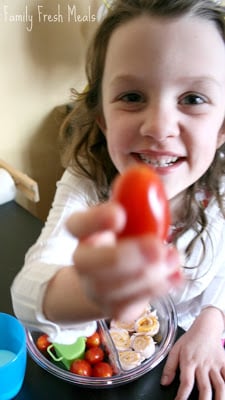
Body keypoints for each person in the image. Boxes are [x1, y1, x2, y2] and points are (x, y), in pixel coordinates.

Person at [11, 0, 225, 398]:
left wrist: (211, 322)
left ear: (222, 127)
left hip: (198, 338)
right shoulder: (86, 183)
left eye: (193, 98)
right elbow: (27, 290)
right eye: (131, 96)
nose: (159, 127)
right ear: (104, 120)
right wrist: (83, 294)